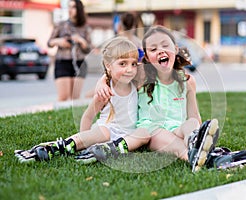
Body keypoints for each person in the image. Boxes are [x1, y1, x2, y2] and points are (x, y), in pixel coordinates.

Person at [77, 26, 220, 172]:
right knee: (168, 140)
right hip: (153, 132)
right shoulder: (142, 74)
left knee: (192, 123)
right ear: (146, 56)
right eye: (153, 49)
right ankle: (194, 157)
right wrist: (102, 82)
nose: (160, 50)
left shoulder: (188, 81)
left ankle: (196, 142)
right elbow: (116, 72)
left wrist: (198, 128)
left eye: (165, 45)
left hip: (178, 128)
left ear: (175, 49)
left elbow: (194, 114)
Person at [14, 37, 149, 163]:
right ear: (108, 66)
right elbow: (88, 116)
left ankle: (108, 149)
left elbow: (145, 63)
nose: (129, 69)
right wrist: (84, 139)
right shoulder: (106, 91)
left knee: (143, 134)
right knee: (103, 133)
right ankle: (56, 148)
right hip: (106, 131)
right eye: (123, 64)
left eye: (133, 64)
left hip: (127, 137)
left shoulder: (135, 85)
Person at [48, 0, 92, 101]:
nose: (70, 10)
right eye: (69, 7)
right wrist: (59, 41)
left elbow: (88, 49)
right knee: (63, 97)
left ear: (79, 9)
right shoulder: (61, 25)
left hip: (79, 63)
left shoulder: (85, 27)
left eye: (73, 7)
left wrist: (81, 41)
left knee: (75, 98)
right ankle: (57, 116)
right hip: (62, 61)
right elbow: (49, 43)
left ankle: (74, 117)